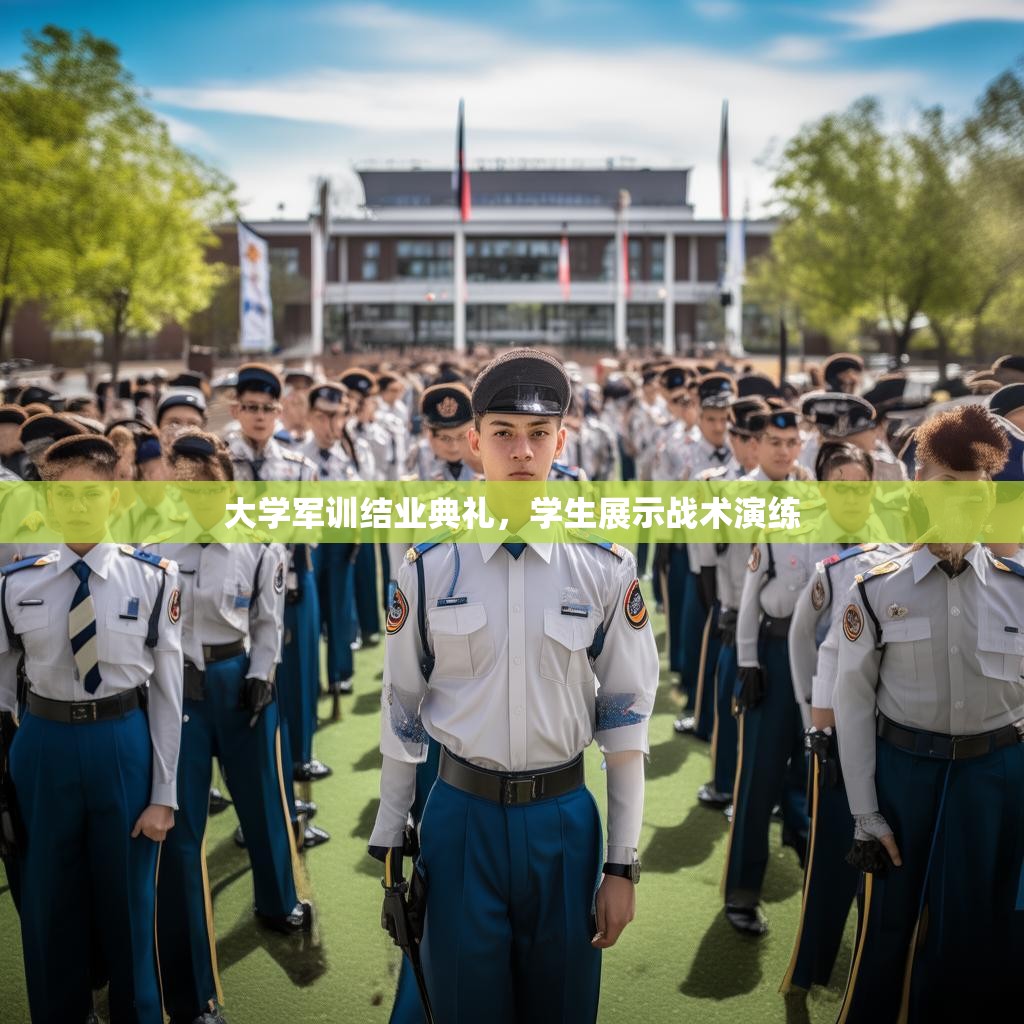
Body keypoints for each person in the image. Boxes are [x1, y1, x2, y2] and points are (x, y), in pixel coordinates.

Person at [369, 348, 659, 1024]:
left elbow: (626, 721)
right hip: (460, 817)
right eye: (503, 433)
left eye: (538, 434)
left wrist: (621, 864)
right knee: (464, 1006)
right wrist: (391, 835)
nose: (522, 451)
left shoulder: (604, 566)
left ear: (562, 441)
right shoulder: (428, 566)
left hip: (564, 821)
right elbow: (402, 706)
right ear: (474, 442)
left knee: (562, 1006)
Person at [833, 404, 1024, 1022]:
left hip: (997, 780)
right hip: (905, 777)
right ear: (918, 486)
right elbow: (853, 704)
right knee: (889, 930)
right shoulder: (874, 588)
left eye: (973, 487)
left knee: (980, 932)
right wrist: (865, 814)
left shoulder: (1018, 588)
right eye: (945, 483)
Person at [0, 433, 183, 1023]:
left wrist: (164, 794)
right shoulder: (16, 583)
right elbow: (1, 693)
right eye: (64, 495)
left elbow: (167, 693)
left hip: (121, 740)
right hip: (43, 743)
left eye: (91, 493)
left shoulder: (154, 578)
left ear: (115, 496)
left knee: (129, 902)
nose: (77, 506)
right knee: (47, 902)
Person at [152, 430, 310, 1024]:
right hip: (176, 693)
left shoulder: (258, 543)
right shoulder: (151, 545)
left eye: (207, 484)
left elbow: (268, 622)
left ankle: (278, 900)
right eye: (184, 484)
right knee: (181, 830)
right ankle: (192, 987)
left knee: (263, 801)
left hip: (238, 682)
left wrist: (263, 674)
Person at [780, 442, 903, 997]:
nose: (852, 498)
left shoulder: (890, 553)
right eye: (840, 487)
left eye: (861, 487)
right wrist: (813, 714)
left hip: (886, 723)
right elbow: (803, 638)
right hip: (834, 724)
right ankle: (813, 964)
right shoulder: (827, 561)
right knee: (833, 850)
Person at [722, 407, 827, 935]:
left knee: (816, 771)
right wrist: (747, 660)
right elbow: (744, 588)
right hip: (773, 650)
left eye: (793, 443)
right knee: (759, 777)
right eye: (775, 442)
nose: (785, 451)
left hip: (826, 659)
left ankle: (814, 862)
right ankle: (742, 892)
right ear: (756, 445)